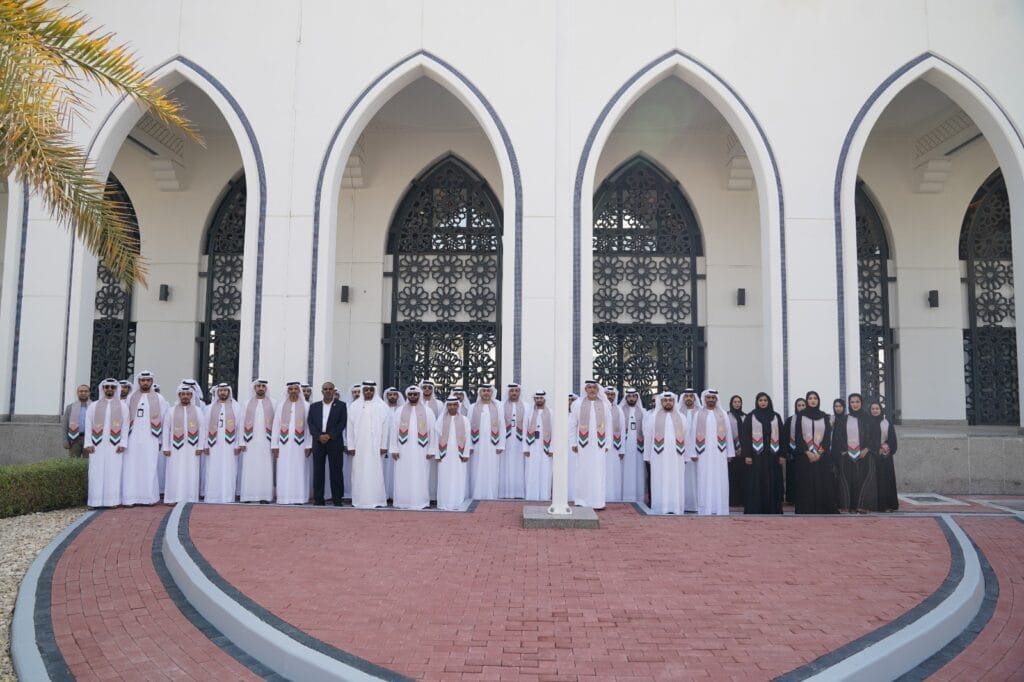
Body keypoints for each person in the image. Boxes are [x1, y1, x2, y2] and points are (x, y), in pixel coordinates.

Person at [122, 371, 167, 505]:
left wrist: (161, 440)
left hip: (151, 437)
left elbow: (164, 420)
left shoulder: (159, 398)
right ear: (139, 381)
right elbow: (125, 419)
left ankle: (149, 498)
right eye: (143, 380)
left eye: (148, 380)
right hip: (133, 438)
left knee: (150, 466)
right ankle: (130, 498)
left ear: (152, 381)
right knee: (131, 467)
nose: (145, 382)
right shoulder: (131, 397)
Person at [390, 385, 436, 509]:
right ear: (407, 396)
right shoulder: (400, 411)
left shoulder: (428, 411)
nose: (413, 396)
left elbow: (432, 431)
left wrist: (431, 449)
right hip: (403, 449)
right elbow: (394, 430)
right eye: (410, 394)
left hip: (422, 449)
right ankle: (402, 501)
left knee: (421, 474)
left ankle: (421, 501)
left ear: (419, 395)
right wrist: (394, 448)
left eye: (415, 394)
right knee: (403, 474)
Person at [84, 378, 128, 508]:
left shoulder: (123, 406)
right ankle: (95, 501)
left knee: (113, 472)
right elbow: (88, 424)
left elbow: (125, 426)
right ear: (102, 389)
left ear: (116, 389)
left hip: (115, 445)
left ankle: (112, 501)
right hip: (96, 444)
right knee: (95, 472)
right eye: (107, 387)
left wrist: (123, 443)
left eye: (112, 387)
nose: (109, 389)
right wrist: (88, 443)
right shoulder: (94, 405)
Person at [643, 392, 688, 514]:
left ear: (674, 402)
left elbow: (686, 438)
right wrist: (647, 456)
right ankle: (660, 507)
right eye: (665, 400)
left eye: (670, 400)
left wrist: (686, 456)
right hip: (658, 455)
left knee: (676, 480)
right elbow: (648, 437)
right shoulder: (653, 418)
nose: (668, 402)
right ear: (661, 402)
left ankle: (675, 507)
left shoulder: (682, 417)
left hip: (677, 456)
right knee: (659, 479)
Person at [792, 391, 837, 514]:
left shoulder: (824, 416)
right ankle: (806, 508)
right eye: (810, 398)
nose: (813, 400)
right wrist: (807, 452)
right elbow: (798, 436)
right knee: (805, 483)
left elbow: (827, 438)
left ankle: (821, 508)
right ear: (807, 400)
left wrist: (819, 453)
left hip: (820, 457)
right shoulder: (801, 416)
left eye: (815, 398)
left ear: (818, 400)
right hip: (804, 456)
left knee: (821, 483)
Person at [740, 392, 784, 514]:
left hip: (773, 455)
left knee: (772, 481)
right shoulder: (751, 416)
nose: (763, 402)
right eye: (760, 400)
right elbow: (745, 436)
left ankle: (773, 509)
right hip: (756, 456)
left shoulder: (776, 416)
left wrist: (782, 454)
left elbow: (783, 436)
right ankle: (755, 508)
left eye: (765, 400)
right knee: (756, 482)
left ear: (769, 402)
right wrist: (747, 455)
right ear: (757, 402)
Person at [347, 381, 389, 508]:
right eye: (366, 390)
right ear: (363, 391)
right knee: (359, 471)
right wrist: (351, 446)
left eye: (371, 390)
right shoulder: (354, 406)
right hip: (359, 445)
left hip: (376, 446)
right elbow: (350, 427)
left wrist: (383, 445)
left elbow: (385, 427)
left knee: (375, 472)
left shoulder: (382, 406)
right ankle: (359, 499)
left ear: (374, 391)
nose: (368, 392)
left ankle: (377, 499)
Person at [833, 392, 878, 513]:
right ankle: (850, 506)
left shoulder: (868, 419)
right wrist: (845, 450)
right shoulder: (844, 419)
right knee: (849, 480)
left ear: (861, 403)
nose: (855, 404)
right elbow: (838, 437)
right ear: (849, 404)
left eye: (857, 401)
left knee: (863, 480)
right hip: (848, 455)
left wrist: (867, 449)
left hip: (865, 455)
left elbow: (875, 436)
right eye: (852, 402)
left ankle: (862, 505)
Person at [692, 389, 734, 516]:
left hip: (720, 453)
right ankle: (704, 508)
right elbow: (693, 433)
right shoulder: (698, 414)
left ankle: (720, 508)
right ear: (704, 399)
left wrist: (730, 453)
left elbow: (728, 434)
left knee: (720, 480)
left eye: (713, 398)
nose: (711, 400)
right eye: (708, 398)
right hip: (703, 453)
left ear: (716, 399)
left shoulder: (723, 414)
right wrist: (693, 452)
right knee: (704, 479)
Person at [570, 380, 609, 509]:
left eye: (594, 387)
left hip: (599, 444)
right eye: (589, 387)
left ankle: (598, 501)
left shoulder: (604, 404)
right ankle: (581, 500)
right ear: (585, 389)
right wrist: (573, 442)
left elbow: (608, 425)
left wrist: (607, 443)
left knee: (598, 471)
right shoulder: (577, 404)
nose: (592, 390)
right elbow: (572, 424)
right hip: (583, 444)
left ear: (598, 389)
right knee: (582, 471)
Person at [161, 383, 203, 504]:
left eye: (188, 394)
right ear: (179, 395)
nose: (185, 396)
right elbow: (166, 429)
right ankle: (172, 498)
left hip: (192, 447)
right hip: (174, 447)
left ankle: (190, 499)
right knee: (174, 472)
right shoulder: (171, 411)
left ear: (191, 396)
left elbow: (202, 429)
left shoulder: (198, 411)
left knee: (190, 472)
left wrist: (200, 446)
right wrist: (165, 447)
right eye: (183, 394)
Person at [272, 381, 311, 505]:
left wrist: (309, 445)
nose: (293, 391)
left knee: (299, 469)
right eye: (291, 389)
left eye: (295, 389)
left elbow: (309, 427)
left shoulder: (306, 406)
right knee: (284, 469)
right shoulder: (281, 406)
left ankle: (299, 498)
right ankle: (284, 497)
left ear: (299, 390)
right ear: (287, 391)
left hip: (301, 444)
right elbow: (276, 425)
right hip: (283, 444)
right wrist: (274, 445)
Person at [309, 381, 347, 506]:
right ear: (322, 391)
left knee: (336, 471)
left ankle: (337, 499)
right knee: (318, 471)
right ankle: (318, 499)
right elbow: (311, 423)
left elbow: (342, 423)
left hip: (334, 442)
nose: (328, 391)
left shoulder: (341, 406)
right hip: (318, 441)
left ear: (334, 391)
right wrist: (319, 436)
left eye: (330, 389)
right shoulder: (314, 406)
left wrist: (329, 435)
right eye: (325, 389)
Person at [202, 383, 241, 503]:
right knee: (212, 469)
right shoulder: (209, 408)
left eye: (225, 390)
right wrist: (205, 444)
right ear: (217, 392)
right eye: (220, 390)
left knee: (229, 469)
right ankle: (212, 497)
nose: (223, 393)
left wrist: (238, 444)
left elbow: (239, 427)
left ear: (229, 392)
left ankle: (227, 497)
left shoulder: (236, 407)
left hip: (230, 444)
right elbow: (205, 427)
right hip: (213, 444)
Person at [239, 379, 275, 503]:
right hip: (249, 441)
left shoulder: (273, 403)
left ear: (266, 388)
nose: (260, 388)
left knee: (265, 468)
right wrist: (241, 442)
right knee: (250, 468)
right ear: (254, 388)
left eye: (263, 386)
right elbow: (241, 422)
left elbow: (277, 424)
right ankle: (248, 496)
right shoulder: (246, 403)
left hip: (267, 441)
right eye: (258, 386)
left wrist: (275, 443)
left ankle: (265, 496)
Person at [435, 394, 471, 511]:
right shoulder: (440, 420)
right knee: (444, 478)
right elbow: (436, 438)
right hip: (444, 454)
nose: (452, 407)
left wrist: (466, 453)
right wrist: (437, 454)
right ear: (447, 406)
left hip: (459, 454)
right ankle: (444, 503)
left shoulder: (464, 420)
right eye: (449, 405)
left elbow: (468, 438)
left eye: (454, 405)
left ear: (458, 406)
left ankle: (458, 502)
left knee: (458, 477)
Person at [470, 384, 504, 500]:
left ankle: (491, 494)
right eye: (483, 391)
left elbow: (502, 425)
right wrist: (470, 445)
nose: (486, 393)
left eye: (488, 391)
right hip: (477, 444)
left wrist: (501, 444)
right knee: (476, 468)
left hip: (493, 444)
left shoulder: (498, 406)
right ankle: (476, 494)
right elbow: (468, 427)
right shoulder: (473, 407)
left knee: (492, 468)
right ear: (480, 393)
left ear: (492, 392)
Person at [523, 390, 553, 501]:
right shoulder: (529, 412)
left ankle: (545, 496)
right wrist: (525, 448)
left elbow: (554, 431)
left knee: (545, 471)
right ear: (534, 399)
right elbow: (524, 430)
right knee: (531, 471)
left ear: (544, 399)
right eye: (537, 398)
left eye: (541, 398)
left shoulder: (551, 412)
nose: (539, 400)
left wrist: (552, 448)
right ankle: (532, 496)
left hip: (546, 446)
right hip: (532, 445)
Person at [870, 401, 899, 512]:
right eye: (873, 409)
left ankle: (887, 505)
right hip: (872, 456)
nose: (875, 411)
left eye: (877, 408)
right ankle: (874, 505)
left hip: (885, 456)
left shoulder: (887, 423)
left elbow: (892, 438)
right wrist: (876, 448)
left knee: (886, 481)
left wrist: (887, 447)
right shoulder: (867, 423)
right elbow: (866, 438)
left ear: (881, 410)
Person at [619, 387, 645, 503]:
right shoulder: (620, 411)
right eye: (629, 396)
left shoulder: (643, 412)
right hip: (624, 446)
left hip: (638, 447)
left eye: (634, 396)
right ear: (626, 398)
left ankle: (638, 497)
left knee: (638, 471)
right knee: (625, 471)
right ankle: (625, 496)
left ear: (637, 398)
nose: (631, 398)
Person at [500, 383, 526, 499]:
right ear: (508, 392)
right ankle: (505, 492)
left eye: (516, 391)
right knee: (505, 465)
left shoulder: (526, 406)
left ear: (519, 392)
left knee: (520, 465)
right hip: (505, 441)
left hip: (521, 441)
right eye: (512, 391)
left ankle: (520, 493)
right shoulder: (501, 406)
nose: (514, 393)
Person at [678, 389, 701, 512]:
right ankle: (684, 504)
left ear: (694, 398)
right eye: (686, 396)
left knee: (697, 477)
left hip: (699, 451)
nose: (688, 398)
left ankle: (697, 504)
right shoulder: (678, 413)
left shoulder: (701, 412)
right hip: (682, 451)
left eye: (691, 396)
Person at [783, 397, 806, 504]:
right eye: (799, 405)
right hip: (792, 452)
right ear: (796, 407)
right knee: (792, 476)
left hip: (806, 452)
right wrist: (787, 451)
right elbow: (784, 437)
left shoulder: (810, 419)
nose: (801, 407)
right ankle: (792, 498)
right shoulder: (790, 420)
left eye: (803, 405)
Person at [603, 386, 625, 503]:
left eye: (612, 395)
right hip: (602, 446)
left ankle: (614, 497)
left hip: (615, 447)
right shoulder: (600, 407)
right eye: (608, 394)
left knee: (614, 472)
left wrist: (622, 450)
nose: (610, 397)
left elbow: (622, 430)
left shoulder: (619, 410)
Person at [383, 386, 404, 501]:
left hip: (399, 442)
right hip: (385, 442)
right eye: (390, 395)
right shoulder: (382, 408)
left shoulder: (402, 409)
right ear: (387, 396)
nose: (392, 397)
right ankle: (386, 493)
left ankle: (397, 493)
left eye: (394, 395)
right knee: (385, 468)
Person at [62, 384, 91, 458]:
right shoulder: (70, 407)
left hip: (90, 439)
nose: (83, 393)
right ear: (77, 393)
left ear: (89, 393)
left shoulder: (94, 406)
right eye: (81, 391)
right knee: (73, 462)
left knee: (89, 462)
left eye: (86, 391)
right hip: (74, 439)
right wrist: (65, 440)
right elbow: (65, 425)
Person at [727, 395, 746, 508]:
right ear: (731, 403)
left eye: (739, 402)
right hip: (731, 452)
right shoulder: (726, 416)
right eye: (735, 402)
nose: (737, 404)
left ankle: (743, 499)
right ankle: (733, 500)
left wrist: (742, 448)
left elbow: (748, 433)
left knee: (743, 477)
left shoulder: (745, 417)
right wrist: (733, 449)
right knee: (732, 477)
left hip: (743, 452)